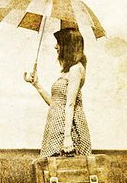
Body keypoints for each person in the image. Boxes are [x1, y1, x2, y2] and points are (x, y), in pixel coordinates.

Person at [25, 28, 92, 157]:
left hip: (69, 129)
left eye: (59, 43)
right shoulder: (67, 71)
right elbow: (55, 104)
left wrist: (67, 138)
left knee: (67, 171)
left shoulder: (76, 69)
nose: (55, 46)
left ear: (68, 45)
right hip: (55, 127)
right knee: (50, 172)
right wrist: (37, 85)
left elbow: (70, 104)